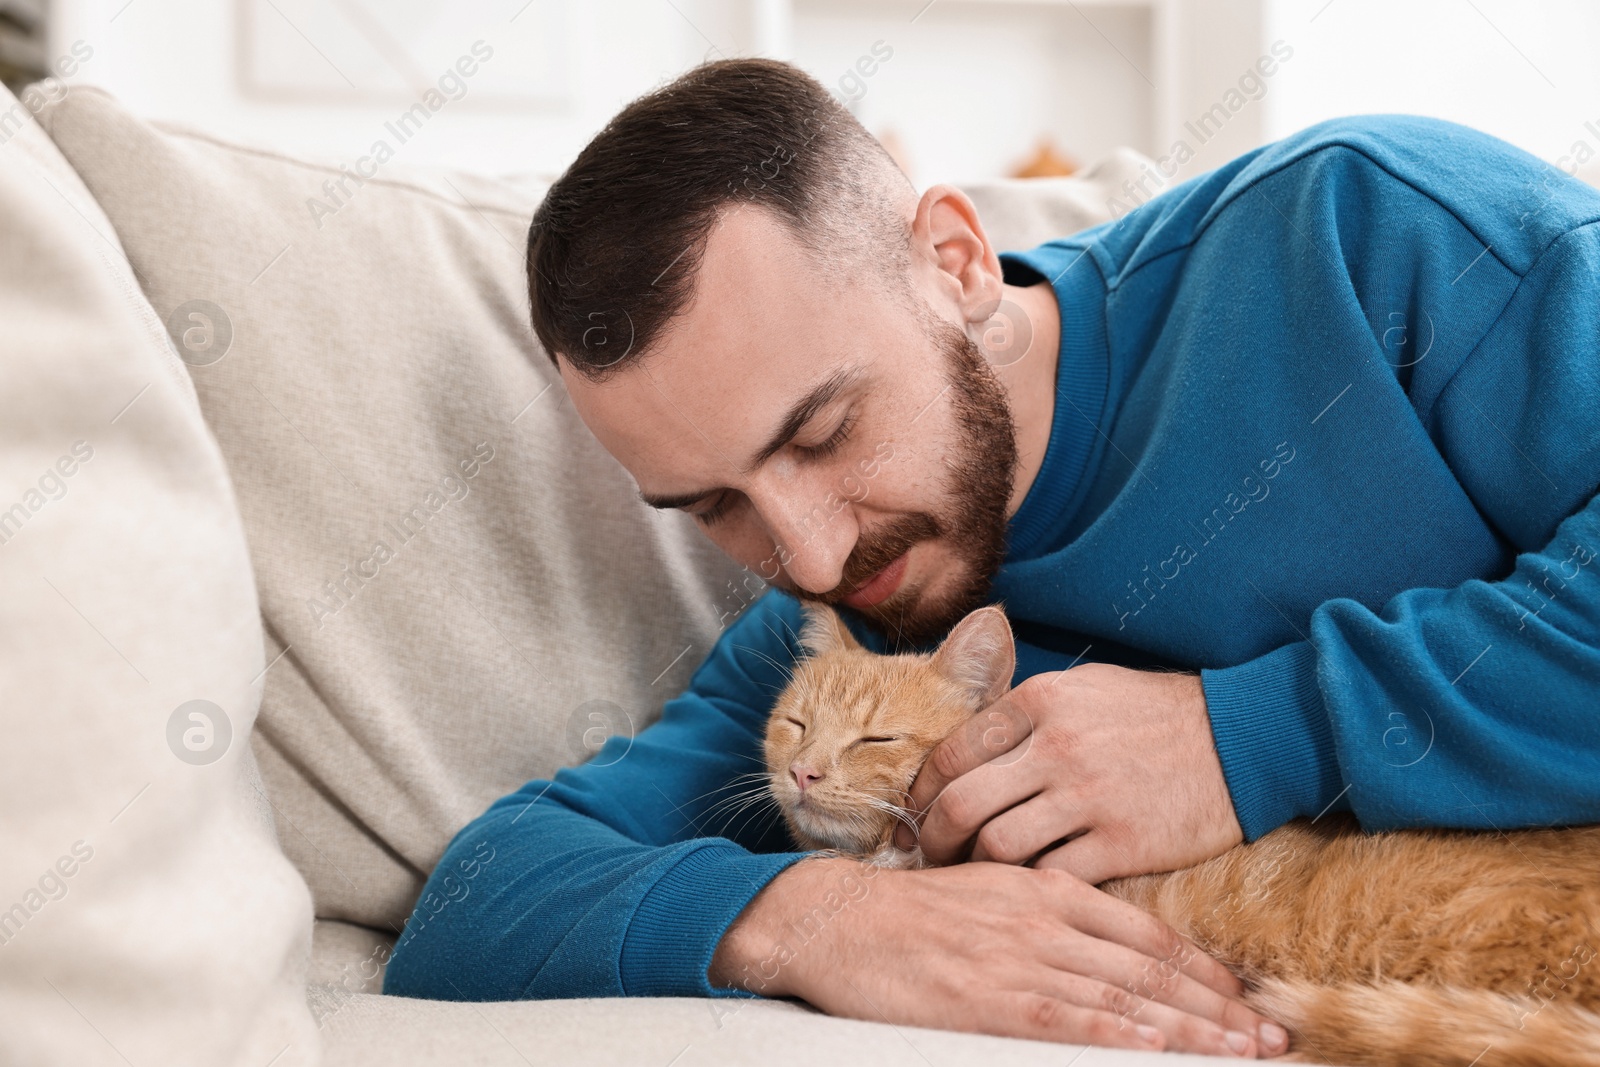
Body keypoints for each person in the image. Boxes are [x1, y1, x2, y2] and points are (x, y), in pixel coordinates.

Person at [382, 58, 1600, 1057]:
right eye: (713, 505)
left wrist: (1249, 734)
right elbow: (479, 902)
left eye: (822, 431)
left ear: (956, 260)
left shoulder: (1365, 232)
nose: (803, 550)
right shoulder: (863, 622)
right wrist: (809, 916)